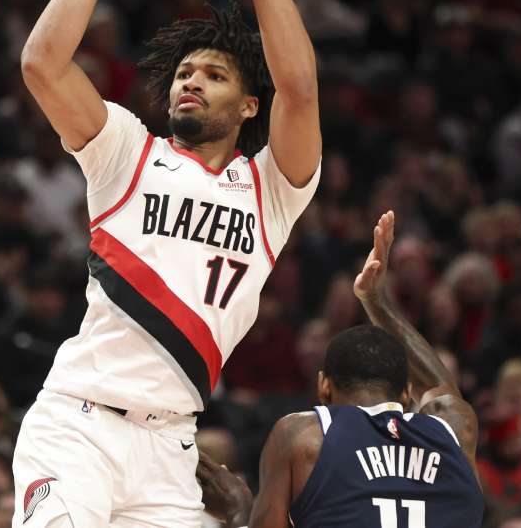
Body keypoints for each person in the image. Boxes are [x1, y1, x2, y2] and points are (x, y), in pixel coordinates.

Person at [11, 0, 322, 526]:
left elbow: (299, 88)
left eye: (213, 75)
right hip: (79, 424)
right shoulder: (127, 151)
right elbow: (41, 64)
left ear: (249, 107)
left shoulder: (271, 192)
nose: (191, 82)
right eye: (184, 73)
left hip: (171, 445)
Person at [202, 211, 483, 527]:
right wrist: (376, 300)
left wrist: (237, 510)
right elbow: (439, 387)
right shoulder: (455, 431)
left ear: (324, 386)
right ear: (406, 393)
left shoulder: (304, 436)